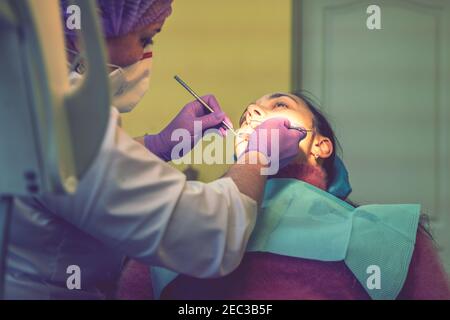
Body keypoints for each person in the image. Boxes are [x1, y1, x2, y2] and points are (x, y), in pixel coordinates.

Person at [4, 0, 307, 299]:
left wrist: (157, 144)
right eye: (145, 38)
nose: (146, 54)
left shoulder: (30, 99)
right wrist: (257, 158)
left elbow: (89, 172)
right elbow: (208, 236)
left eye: (280, 105)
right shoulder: (63, 119)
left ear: (321, 145)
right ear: (88, 30)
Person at [117, 92, 450, 300]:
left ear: (321, 145)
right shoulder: (174, 225)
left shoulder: (387, 238)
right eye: (248, 113)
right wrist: (160, 144)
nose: (253, 115)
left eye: (279, 105)